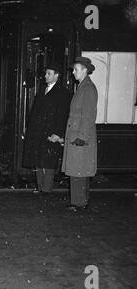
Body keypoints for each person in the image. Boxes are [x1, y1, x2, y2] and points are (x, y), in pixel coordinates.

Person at [22, 63, 71, 194]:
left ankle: (47, 188)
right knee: (39, 158)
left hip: (51, 131)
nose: (45, 76)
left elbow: (63, 115)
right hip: (38, 131)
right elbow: (35, 111)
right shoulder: (42, 89)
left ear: (56, 75)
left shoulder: (63, 92)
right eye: (45, 73)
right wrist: (30, 128)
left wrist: (58, 133)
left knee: (49, 160)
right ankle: (40, 186)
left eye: (49, 73)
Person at [62, 57, 98, 211]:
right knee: (78, 170)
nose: (73, 72)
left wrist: (82, 138)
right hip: (76, 135)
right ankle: (79, 201)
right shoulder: (83, 87)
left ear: (84, 70)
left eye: (76, 69)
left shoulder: (88, 88)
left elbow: (89, 115)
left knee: (79, 170)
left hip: (80, 137)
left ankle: (79, 203)